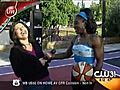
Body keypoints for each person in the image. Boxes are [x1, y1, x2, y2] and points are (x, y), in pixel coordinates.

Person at [52, 8, 104, 90]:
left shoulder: (95, 39)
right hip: (75, 74)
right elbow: (66, 54)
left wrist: (94, 77)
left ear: (84, 23)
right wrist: (52, 57)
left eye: (76, 23)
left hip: (88, 75)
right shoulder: (75, 38)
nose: (74, 26)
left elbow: (100, 60)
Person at [9, 21, 53, 90]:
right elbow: (18, 72)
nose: (22, 29)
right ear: (14, 34)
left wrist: (47, 58)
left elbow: (43, 61)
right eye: (18, 28)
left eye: (23, 27)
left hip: (46, 81)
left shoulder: (35, 44)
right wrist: (38, 63)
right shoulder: (15, 51)